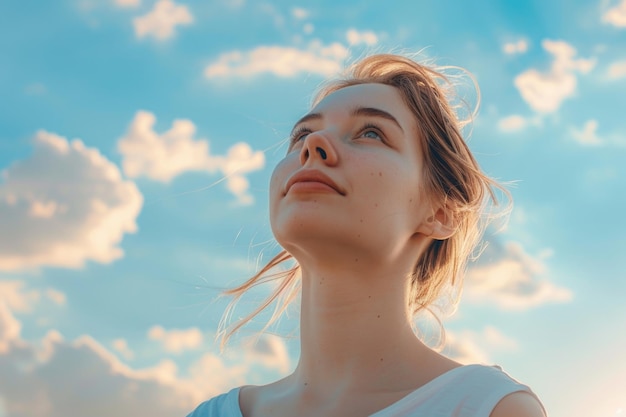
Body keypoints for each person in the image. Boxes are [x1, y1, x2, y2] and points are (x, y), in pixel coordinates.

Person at [187, 54, 547, 417]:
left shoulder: (489, 408)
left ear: (439, 213)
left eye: (371, 132)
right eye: (302, 135)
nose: (313, 146)